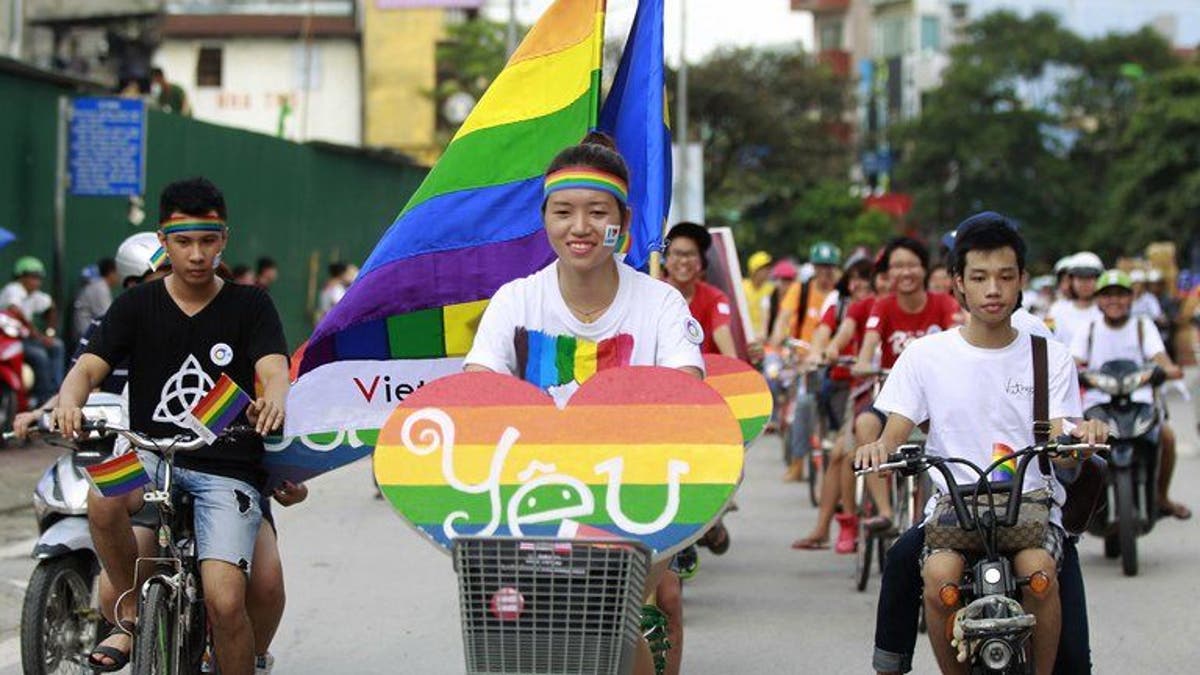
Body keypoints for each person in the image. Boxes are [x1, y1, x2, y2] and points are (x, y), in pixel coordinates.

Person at [463, 132, 702, 675]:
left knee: (607, 614)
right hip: (534, 496)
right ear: (544, 217)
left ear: (623, 217)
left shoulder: (661, 303)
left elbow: (688, 392)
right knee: (530, 634)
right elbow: (477, 392)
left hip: (637, 496)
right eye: (564, 211)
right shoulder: (516, 299)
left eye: (598, 212)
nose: (580, 227)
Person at [51, 177, 290, 675]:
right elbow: (88, 368)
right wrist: (69, 402)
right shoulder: (137, 305)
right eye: (183, 241)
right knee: (102, 498)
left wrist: (274, 399)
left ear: (224, 237)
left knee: (227, 602)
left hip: (226, 467)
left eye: (207, 241)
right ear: (163, 242)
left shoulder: (251, 305)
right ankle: (130, 610)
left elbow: (272, 369)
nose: (197, 254)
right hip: (149, 454)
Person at [857, 212, 1107, 675]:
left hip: (1031, 506)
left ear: (1021, 282)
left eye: (1005, 276)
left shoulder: (1047, 354)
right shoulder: (925, 355)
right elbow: (895, 428)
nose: (993, 289)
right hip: (953, 508)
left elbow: (1061, 427)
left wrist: (1080, 436)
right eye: (979, 277)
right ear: (958, 284)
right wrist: (878, 448)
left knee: (1040, 573)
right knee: (936, 578)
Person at [851, 237, 959, 531]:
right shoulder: (882, 306)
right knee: (864, 426)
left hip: (936, 400)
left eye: (912, 264)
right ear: (888, 274)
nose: (905, 272)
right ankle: (885, 512)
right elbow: (869, 344)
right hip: (894, 398)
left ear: (924, 269)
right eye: (897, 266)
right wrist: (863, 363)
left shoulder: (944, 303)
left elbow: (958, 338)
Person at [1071, 269, 1190, 520]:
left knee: (1166, 437)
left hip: (1139, 401)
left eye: (1121, 294)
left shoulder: (1142, 326)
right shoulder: (1088, 328)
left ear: (1131, 298)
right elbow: (1073, 361)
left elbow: (1160, 357)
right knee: (1080, 446)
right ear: (1098, 300)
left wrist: (1168, 369)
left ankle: (1161, 497)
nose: (1114, 300)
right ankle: (1082, 504)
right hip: (1099, 404)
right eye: (1107, 295)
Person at [792, 252, 877, 552]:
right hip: (850, 387)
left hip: (883, 388)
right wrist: (821, 353)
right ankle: (835, 524)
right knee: (842, 450)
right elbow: (827, 336)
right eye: (854, 279)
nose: (858, 286)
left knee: (845, 450)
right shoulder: (843, 307)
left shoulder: (883, 306)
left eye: (866, 280)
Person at [771, 241, 842, 481]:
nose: (826, 272)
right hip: (803, 360)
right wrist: (780, 338)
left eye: (830, 267)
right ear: (813, 267)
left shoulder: (840, 295)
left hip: (834, 359)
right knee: (803, 403)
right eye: (820, 267)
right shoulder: (800, 291)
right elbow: (783, 319)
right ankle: (798, 461)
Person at [0, 256, 65, 407]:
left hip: (25, 338)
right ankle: (43, 399)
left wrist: (49, 332)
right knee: (39, 355)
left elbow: (51, 308)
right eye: (33, 277)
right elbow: (15, 310)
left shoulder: (35, 295)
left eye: (39, 278)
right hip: (7, 339)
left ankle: (58, 391)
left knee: (57, 345)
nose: (37, 281)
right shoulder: (13, 289)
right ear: (21, 277)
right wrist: (36, 334)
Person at [1047, 252, 1103, 349]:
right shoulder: (1055, 310)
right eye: (1080, 278)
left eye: (1090, 278)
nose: (1085, 283)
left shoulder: (1105, 310)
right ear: (1071, 281)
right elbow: (1047, 339)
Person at [73, 257, 117, 344]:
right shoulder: (100, 288)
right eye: (117, 272)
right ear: (111, 273)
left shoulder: (100, 285)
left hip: (90, 335)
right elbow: (106, 318)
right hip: (87, 337)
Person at [741, 250, 775, 340]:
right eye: (765, 268)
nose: (768, 271)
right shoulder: (741, 287)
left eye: (769, 268)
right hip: (745, 334)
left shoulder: (771, 289)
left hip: (764, 337)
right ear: (755, 270)